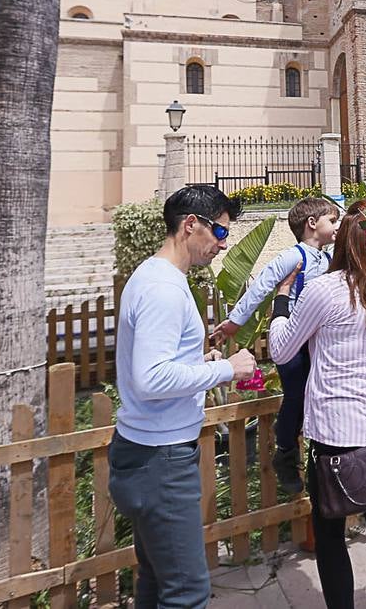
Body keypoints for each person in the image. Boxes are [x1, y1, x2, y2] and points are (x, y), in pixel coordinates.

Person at [108, 185, 259, 609]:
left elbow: (156, 363)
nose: (221, 245)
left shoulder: (154, 276)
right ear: (190, 225)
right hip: (161, 460)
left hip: (146, 451)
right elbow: (152, 377)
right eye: (220, 232)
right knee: (187, 592)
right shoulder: (165, 289)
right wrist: (226, 368)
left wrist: (198, 362)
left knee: (156, 580)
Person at [268, 199, 366, 609]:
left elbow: (281, 349)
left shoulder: (323, 290)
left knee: (329, 529)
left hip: (337, 431)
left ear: (343, 242)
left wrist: (281, 300)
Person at [212, 196, 340, 493]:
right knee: (295, 395)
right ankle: (285, 454)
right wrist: (235, 321)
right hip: (291, 338)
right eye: (331, 221)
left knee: (317, 396)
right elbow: (262, 286)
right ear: (311, 224)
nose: (335, 226)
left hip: (318, 342)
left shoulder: (328, 258)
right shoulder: (294, 257)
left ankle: (316, 455)